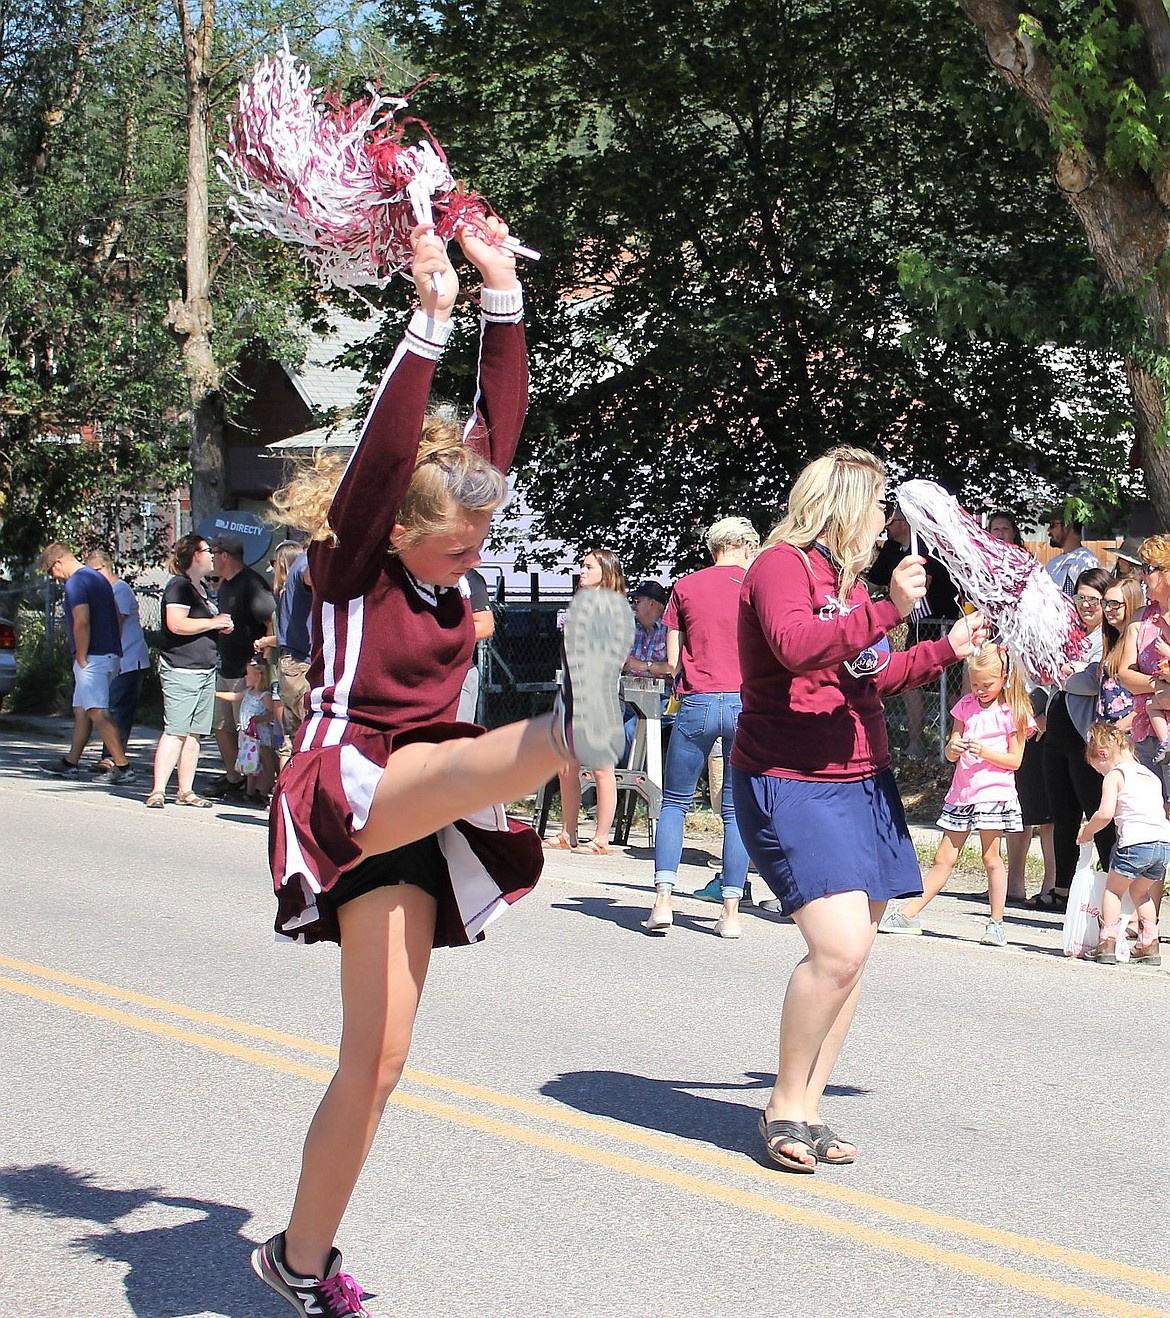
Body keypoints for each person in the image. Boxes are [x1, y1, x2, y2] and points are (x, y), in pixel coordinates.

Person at [250, 222, 631, 1317]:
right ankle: (570, 725)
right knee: (470, 756)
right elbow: (381, 459)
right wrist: (427, 321)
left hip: (419, 808)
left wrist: (504, 291)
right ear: (399, 533)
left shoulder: (449, 536)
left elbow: (494, 436)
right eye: (458, 549)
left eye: (479, 548)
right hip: (345, 782)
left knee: (379, 1062)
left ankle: (297, 1260)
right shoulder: (351, 563)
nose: (474, 563)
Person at [729, 447, 986, 1174]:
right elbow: (796, 646)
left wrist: (947, 649)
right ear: (843, 503)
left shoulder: (842, 582)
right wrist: (890, 608)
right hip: (793, 777)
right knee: (836, 948)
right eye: (879, 505)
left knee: (854, 957)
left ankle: (808, 1107)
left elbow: (869, 674)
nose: (886, 521)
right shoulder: (781, 565)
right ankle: (782, 1103)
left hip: (860, 777)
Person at [641, 516, 759, 939]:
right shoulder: (755, 587)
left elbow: (672, 662)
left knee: (674, 802)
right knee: (734, 810)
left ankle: (663, 901)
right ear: (746, 546)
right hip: (745, 703)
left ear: (714, 548)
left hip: (698, 700)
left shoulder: (686, 587)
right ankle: (729, 912)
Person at [879, 644, 1033, 947]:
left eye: (986, 684)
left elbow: (1015, 761)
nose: (980, 690)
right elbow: (951, 749)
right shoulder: (966, 705)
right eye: (975, 684)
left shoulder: (1013, 710)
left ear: (1004, 676)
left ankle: (997, 923)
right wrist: (954, 748)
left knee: (991, 857)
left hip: (993, 792)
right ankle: (909, 914)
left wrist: (986, 752)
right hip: (963, 792)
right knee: (943, 857)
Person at [1033, 567, 1115, 910]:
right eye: (1080, 598)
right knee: (1062, 816)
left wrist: (1066, 673)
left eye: (1093, 599)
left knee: (1097, 813)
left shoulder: (1109, 638)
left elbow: (1092, 682)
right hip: (1056, 736)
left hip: (1087, 740)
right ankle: (1061, 889)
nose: (1085, 605)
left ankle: (1112, 888)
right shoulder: (1070, 633)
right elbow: (1045, 674)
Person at [987, 511, 1055, 901]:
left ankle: (1051, 882)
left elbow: (1051, 672)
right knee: (1014, 803)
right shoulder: (996, 613)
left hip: (1038, 707)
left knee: (1041, 807)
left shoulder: (1041, 616)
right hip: (1009, 703)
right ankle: (1012, 884)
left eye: (1004, 529)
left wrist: (1040, 713)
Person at [544, 548, 630, 855]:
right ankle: (569, 831)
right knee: (566, 764)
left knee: (601, 768)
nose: (582, 571)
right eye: (582, 565)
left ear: (605, 573)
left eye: (589, 567)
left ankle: (601, 838)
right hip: (572, 691)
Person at [146, 534, 234, 808]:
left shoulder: (202, 588)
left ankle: (185, 790)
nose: (212, 556)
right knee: (176, 730)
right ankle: (158, 790)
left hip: (204, 668)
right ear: (195, 555)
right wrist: (212, 622)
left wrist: (218, 625)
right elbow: (176, 624)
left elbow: (201, 622)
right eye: (208, 551)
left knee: (194, 734)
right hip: (181, 669)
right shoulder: (179, 587)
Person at [38, 542, 136, 783]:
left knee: (97, 710)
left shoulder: (76, 582)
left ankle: (122, 767)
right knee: (82, 710)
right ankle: (71, 762)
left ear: (58, 562)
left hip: (93, 657)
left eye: (52, 571)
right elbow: (114, 613)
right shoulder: (98, 578)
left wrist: (81, 655)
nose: (55, 577)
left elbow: (81, 621)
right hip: (109, 652)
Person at [866, 503, 958, 757]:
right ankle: (917, 742)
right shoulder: (891, 551)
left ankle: (953, 743)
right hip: (916, 627)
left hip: (944, 626)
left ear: (906, 523)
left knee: (951, 688)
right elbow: (871, 584)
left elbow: (920, 588)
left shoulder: (927, 548)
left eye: (892, 521)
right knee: (913, 686)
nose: (886, 526)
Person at [1078, 721, 1167, 965]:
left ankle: (1107, 942)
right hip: (1161, 844)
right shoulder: (1149, 774)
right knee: (1141, 892)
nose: (1100, 774)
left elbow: (1105, 814)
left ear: (1103, 754)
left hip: (1135, 844)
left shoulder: (1116, 776)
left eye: (1098, 769)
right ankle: (1149, 943)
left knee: (1113, 890)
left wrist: (1088, 831)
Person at [203, 532, 276, 798]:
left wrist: (264, 660)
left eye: (213, 554)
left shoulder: (251, 584)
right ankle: (235, 777)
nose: (210, 559)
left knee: (248, 730)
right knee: (222, 726)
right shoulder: (225, 585)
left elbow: (270, 618)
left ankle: (257, 784)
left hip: (248, 670)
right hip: (226, 667)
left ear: (225, 556)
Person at [84, 549, 151, 774]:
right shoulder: (105, 593)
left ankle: (111, 756)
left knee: (117, 709)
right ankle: (110, 754)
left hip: (129, 660)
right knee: (109, 707)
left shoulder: (120, 590)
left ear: (103, 568)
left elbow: (116, 624)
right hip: (115, 660)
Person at [256, 540, 313, 760]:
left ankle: (290, 790)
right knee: (305, 735)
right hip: (301, 662)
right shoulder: (306, 568)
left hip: (292, 663)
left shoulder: (291, 579)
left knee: (294, 738)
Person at [216, 655, 281, 802]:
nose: (245, 676)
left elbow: (272, 715)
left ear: (259, 676)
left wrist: (259, 719)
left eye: (248, 674)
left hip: (261, 735)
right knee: (250, 762)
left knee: (264, 761)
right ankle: (250, 791)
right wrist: (215, 694)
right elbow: (234, 696)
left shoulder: (265, 696)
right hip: (248, 735)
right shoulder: (248, 692)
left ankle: (265, 791)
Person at [620, 579, 672, 758]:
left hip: (663, 699)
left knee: (630, 731)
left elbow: (674, 668)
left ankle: (621, 782)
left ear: (652, 603)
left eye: (637, 601)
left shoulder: (671, 631)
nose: (634, 606)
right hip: (629, 696)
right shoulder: (632, 628)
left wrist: (642, 666)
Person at [456, 566, 494, 722]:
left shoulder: (468, 578)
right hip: (409, 679)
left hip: (458, 674)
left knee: (455, 741)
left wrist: (437, 637)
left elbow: (485, 626)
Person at [1044, 507, 1100, 595]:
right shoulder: (1053, 563)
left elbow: (1090, 597)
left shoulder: (1086, 560)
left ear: (1068, 526)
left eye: (1052, 525)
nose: (1049, 530)